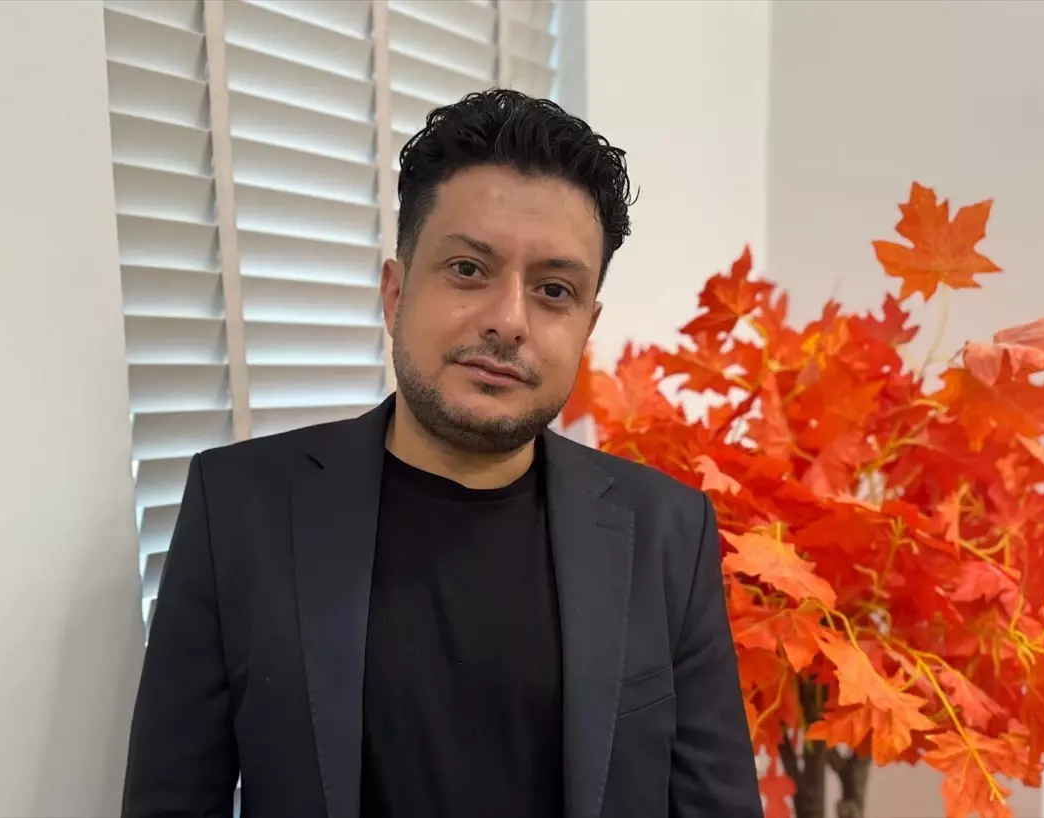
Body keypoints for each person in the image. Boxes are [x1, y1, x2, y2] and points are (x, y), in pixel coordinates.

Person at [121, 89, 762, 818]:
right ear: (395, 293)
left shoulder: (667, 533)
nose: (508, 321)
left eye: (554, 290)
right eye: (468, 270)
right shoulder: (240, 508)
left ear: (587, 327)